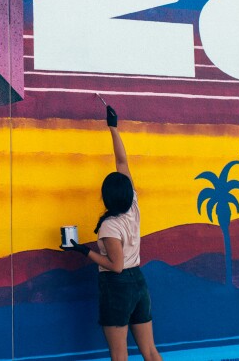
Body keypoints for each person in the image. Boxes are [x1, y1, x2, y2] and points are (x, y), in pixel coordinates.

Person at [63, 104, 162, 361]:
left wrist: (82, 250)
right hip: (139, 282)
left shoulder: (110, 226)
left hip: (118, 286)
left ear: (106, 197)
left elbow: (115, 265)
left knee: (119, 356)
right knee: (150, 352)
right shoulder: (133, 207)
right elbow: (122, 161)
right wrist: (113, 128)